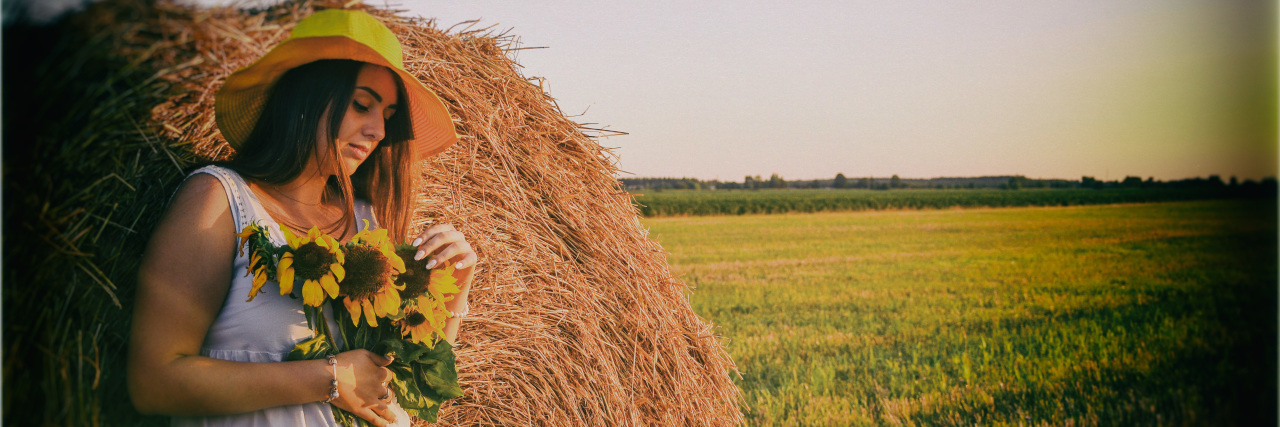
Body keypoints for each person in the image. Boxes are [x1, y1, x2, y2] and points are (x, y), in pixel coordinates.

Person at [127, 9, 476, 427]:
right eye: (362, 104)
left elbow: (404, 387)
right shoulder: (222, 201)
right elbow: (153, 383)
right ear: (307, 98)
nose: (379, 130)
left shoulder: (368, 224)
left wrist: (455, 289)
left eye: (387, 114)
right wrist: (327, 378)